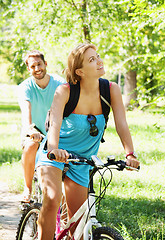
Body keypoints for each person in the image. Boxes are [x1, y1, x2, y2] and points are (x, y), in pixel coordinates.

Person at [35, 43, 140, 240]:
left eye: (98, 56)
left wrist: (130, 154)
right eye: (92, 59)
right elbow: (55, 125)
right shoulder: (64, 91)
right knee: (52, 198)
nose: (99, 61)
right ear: (80, 71)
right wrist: (54, 149)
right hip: (54, 154)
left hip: (82, 160)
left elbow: (121, 125)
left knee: (79, 226)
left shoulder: (111, 90)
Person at [18, 50, 65, 202]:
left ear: (45, 64)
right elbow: (26, 112)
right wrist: (30, 129)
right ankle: (28, 188)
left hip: (56, 130)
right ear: (28, 69)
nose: (37, 69)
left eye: (39, 64)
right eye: (33, 66)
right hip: (36, 130)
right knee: (31, 145)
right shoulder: (25, 87)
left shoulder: (60, 84)